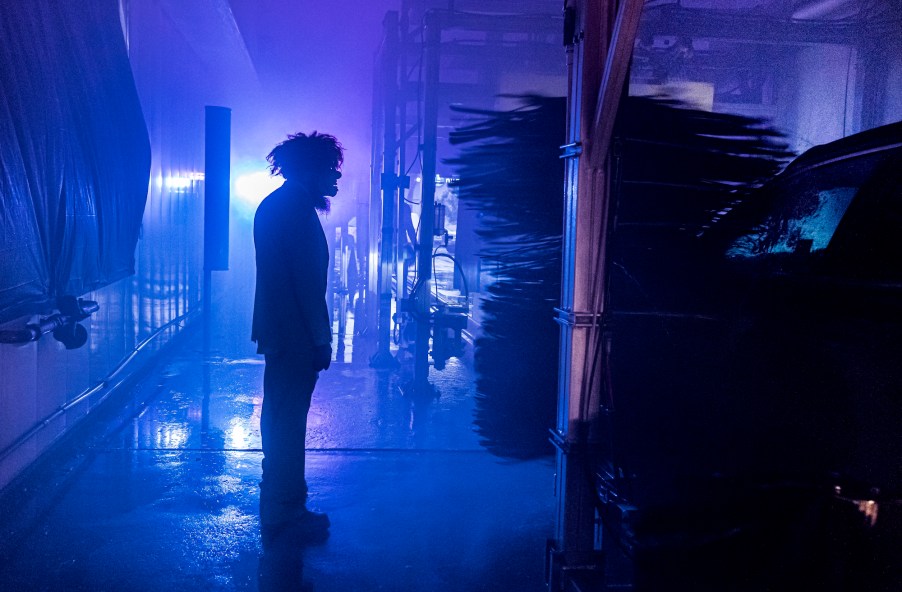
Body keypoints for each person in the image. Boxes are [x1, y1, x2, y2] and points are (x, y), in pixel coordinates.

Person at [252, 131, 343, 540]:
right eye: (330, 170)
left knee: (278, 418)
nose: (336, 180)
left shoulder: (277, 206)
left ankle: (277, 500)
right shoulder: (296, 211)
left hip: (279, 331)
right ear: (310, 169)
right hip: (295, 335)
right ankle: (286, 511)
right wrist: (321, 339)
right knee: (289, 422)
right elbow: (307, 285)